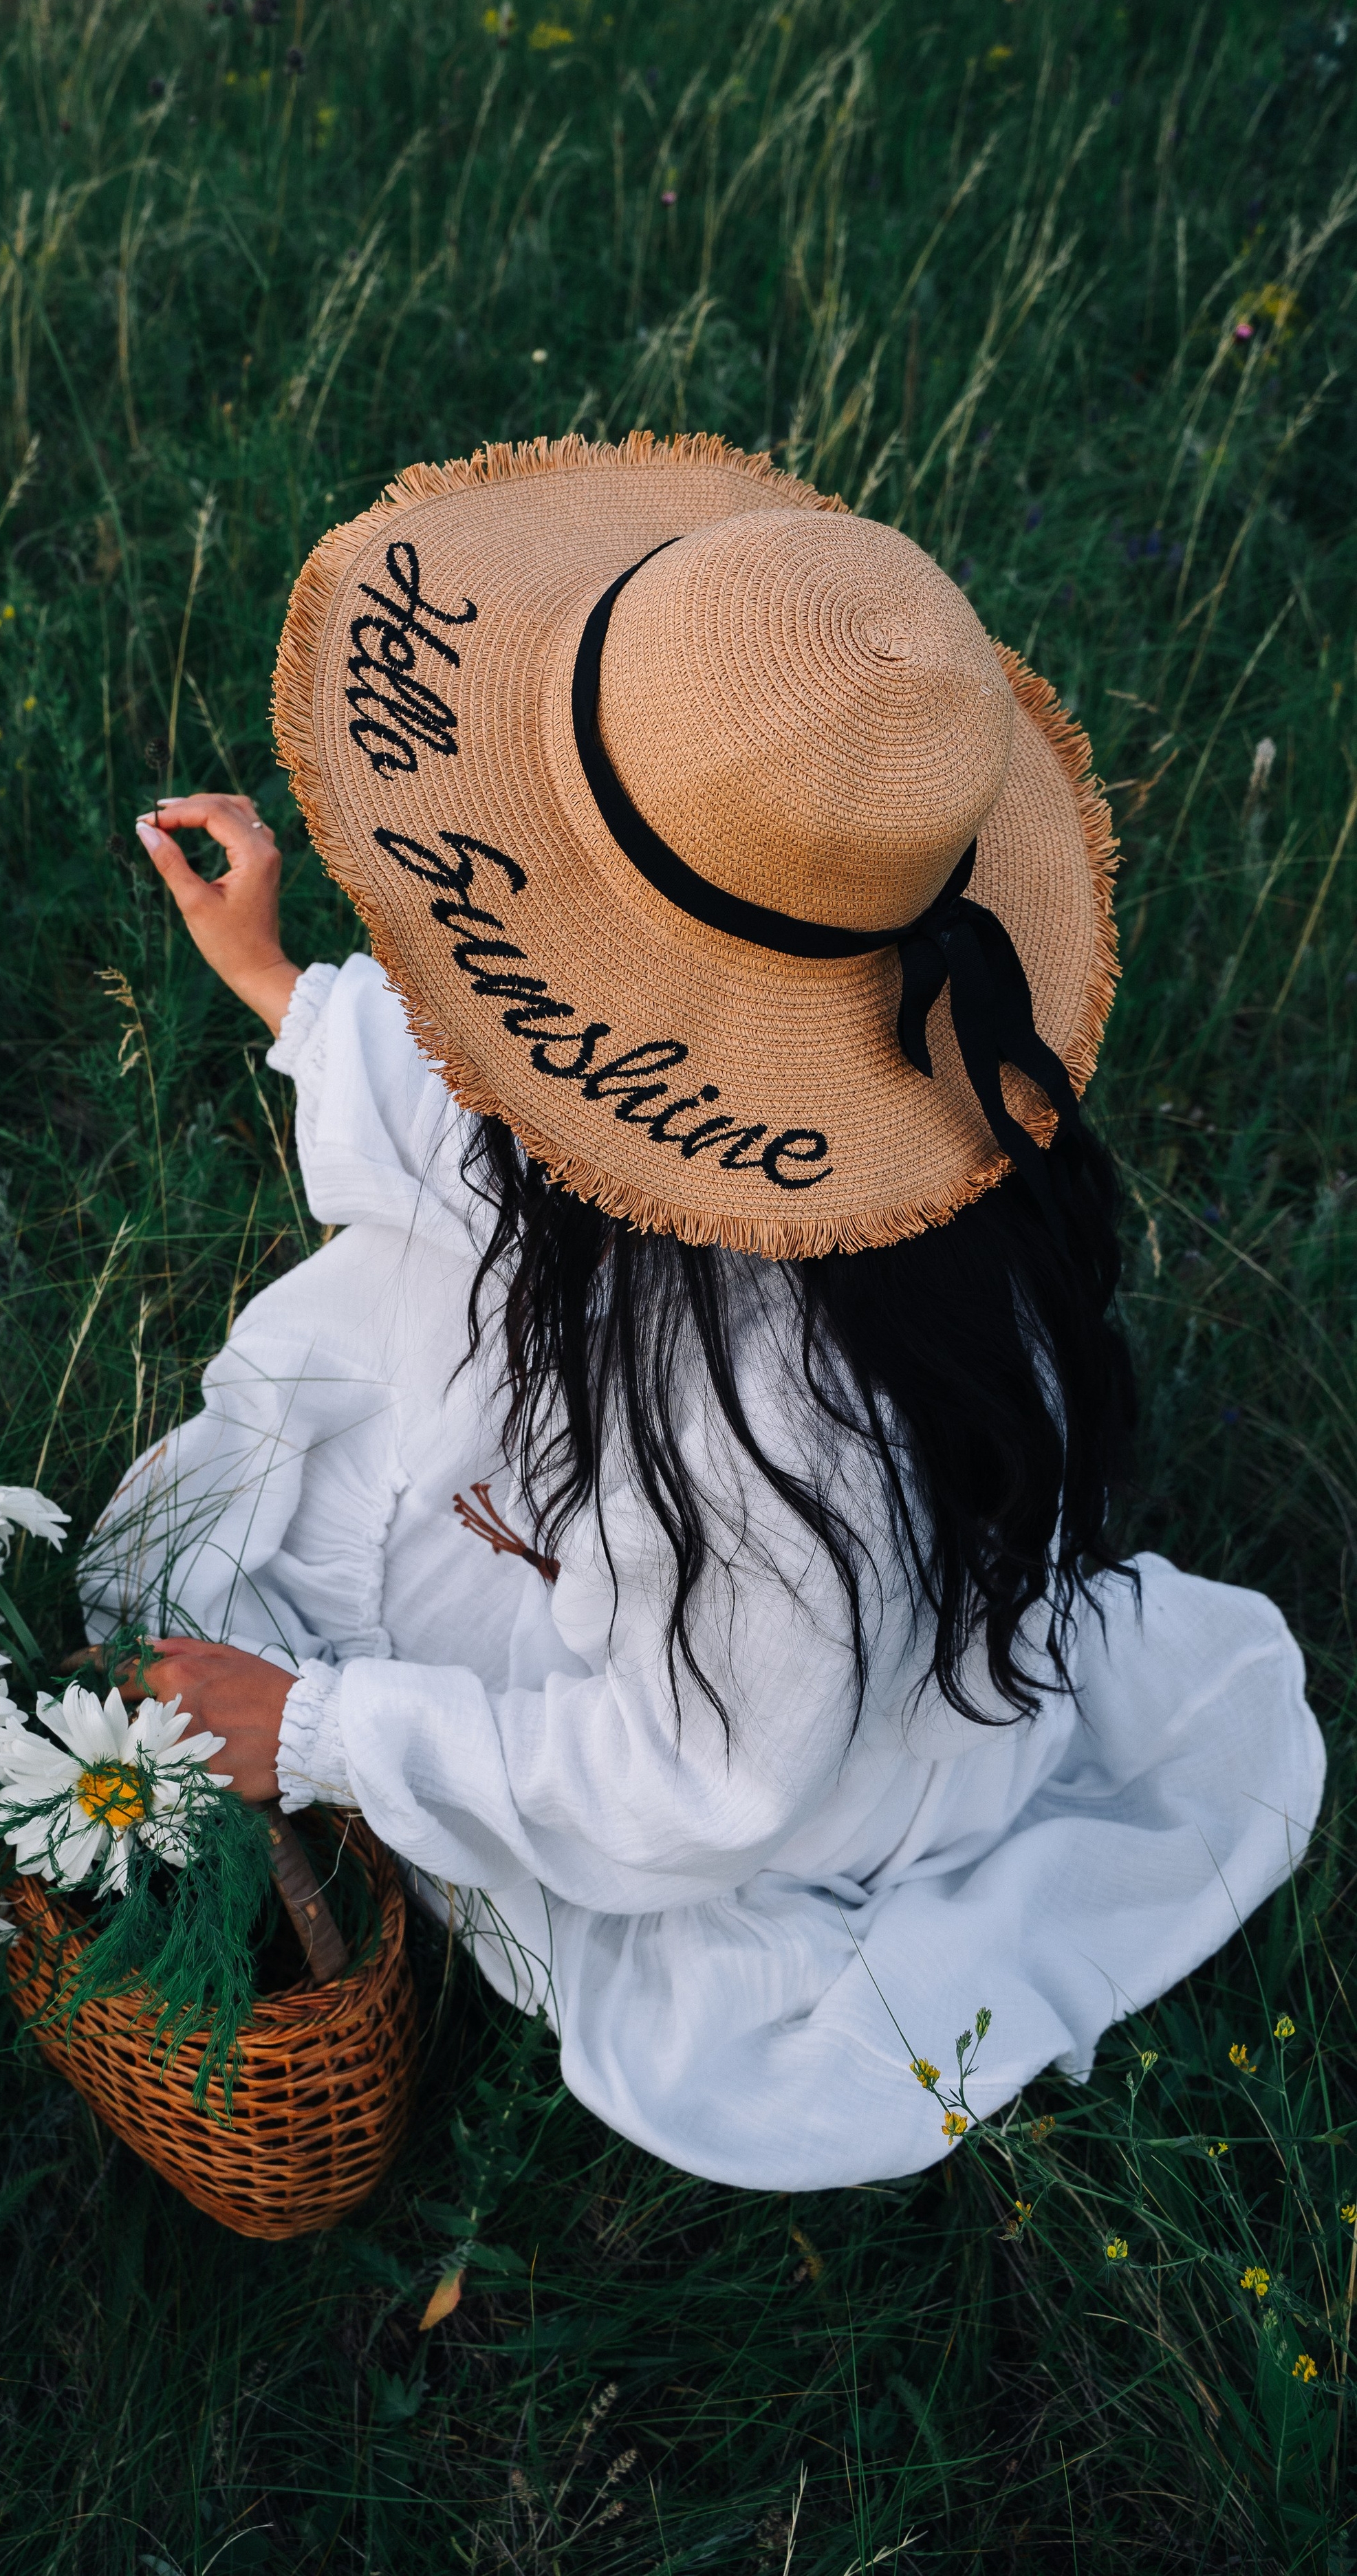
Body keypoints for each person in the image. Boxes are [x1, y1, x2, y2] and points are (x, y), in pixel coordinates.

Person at [80, 434, 1323, 2191]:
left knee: (277, 1546)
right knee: (339, 1405)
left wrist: (318, 1730)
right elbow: (514, 1110)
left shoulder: (772, 1412)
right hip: (742, 1536)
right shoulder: (898, 1086)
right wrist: (285, 987)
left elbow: (705, 1786)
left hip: (760, 1714)